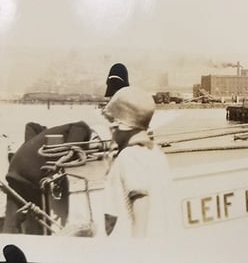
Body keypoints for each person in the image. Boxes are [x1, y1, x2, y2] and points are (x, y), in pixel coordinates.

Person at [101, 86, 170, 237]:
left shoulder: (130, 157)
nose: (110, 131)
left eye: (111, 124)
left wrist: (137, 253)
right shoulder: (156, 154)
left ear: (121, 125)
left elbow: (141, 203)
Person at [2, 121, 92, 234]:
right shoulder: (82, 127)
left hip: (15, 169)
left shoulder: (57, 129)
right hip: (31, 176)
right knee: (39, 218)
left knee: (11, 220)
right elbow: (71, 148)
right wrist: (53, 170)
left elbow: (30, 125)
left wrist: (30, 150)